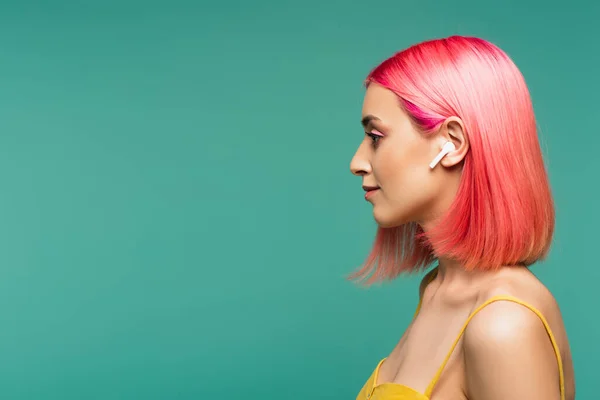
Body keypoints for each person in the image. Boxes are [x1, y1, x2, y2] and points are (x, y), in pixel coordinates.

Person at [348, 36, 575, 400]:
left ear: (451, 143)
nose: (357, 163)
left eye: (376, 137)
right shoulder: (437, 287)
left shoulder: (502, 324)